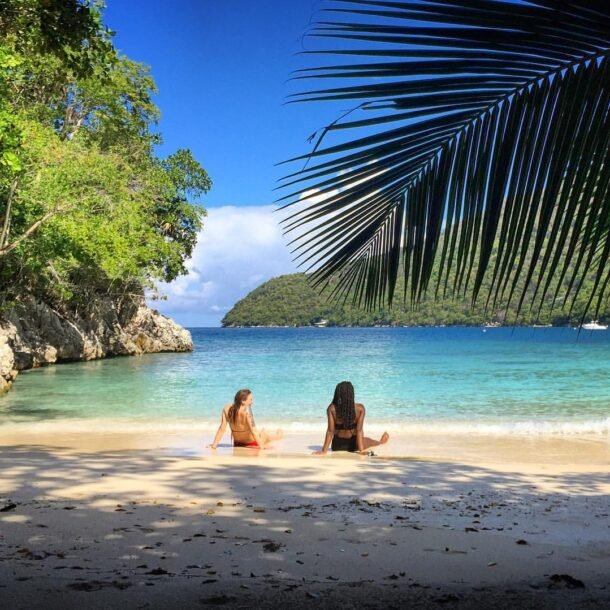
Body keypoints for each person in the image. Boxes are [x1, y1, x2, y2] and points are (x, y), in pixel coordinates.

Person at [314, 381, 389, 455]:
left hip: (336, 446)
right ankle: (381, 442)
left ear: (338, 394)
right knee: (370, 441)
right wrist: (361, 450)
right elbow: (359, 430)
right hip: (353, 446)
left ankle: (379, 442)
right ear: (352, 394)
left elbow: (330, 432)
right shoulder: (360, 409)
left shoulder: (332, 409)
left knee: (366, 439)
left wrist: (324, 451)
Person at [208, 389, 283, 449]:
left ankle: (268, 432)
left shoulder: (227, 408)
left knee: (262, 433)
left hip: (237, 443)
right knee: (266, 435)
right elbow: (254, 432)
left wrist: (214, 446)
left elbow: (222, 429)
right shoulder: (247, 414)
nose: (252, 402)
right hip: (252, 443)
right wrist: (262, 447)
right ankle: (278, 434)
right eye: (250, 400)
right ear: (243, 401)